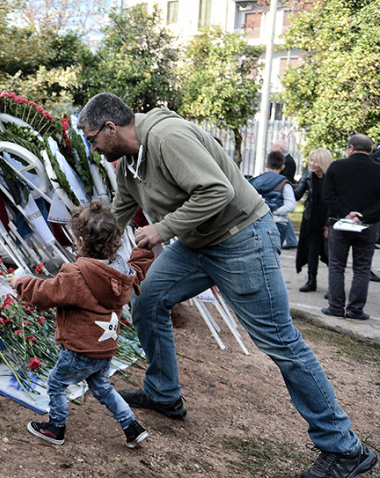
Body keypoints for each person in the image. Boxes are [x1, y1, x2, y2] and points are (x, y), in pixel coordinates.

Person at [77, 93, 376, 478]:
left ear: (111, 128)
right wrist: (86, 259)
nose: (92, 147)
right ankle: (163, 392)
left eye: (92, 138)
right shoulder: (129, 163)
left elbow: (218, 190)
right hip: (196, 245)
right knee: (149, 300)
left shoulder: (168, 138)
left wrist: (162, 229)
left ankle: (344, 447)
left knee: (280, 342)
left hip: (242, 240)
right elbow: (119, 211)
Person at [9, 200, 154, 449]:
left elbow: (45, 293)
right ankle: (131, 426)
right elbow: (139, 268)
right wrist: (144, 247)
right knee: (102, 387)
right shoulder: (121, 272)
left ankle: (55, 427)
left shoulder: (76, 275)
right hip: (105, 348)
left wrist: (21, 282)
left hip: (79, 349)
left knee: (56, 383)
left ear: (82, 242)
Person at [321, 134, 380, 321]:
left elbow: (328, 195)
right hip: (367, 226)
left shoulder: (337, 167)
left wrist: (347, 214)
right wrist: (363, 217)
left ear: (351, 148)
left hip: (340, 224)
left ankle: (336, 307)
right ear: (369, 150)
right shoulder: (378, 170)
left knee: (337, 266)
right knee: (362, 268)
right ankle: (355, 310)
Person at [294, 149, 332, 293]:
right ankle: (311, 281)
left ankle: (334, 287)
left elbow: (335, 202)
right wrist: (284, 184)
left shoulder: (331, 178)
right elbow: (297, 195)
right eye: (311, 160)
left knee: (330, 254)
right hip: (311, 219)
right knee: (312, 250)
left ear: (323, 162)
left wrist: (329, 224)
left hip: (328, 219)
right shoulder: (309, 176)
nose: (312, 164)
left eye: (315, 161)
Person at [249, 150, 296, 244]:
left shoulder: (255, 181)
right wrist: (274, 211)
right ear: (283, 167)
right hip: (278, 224)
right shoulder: (284, 183)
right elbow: (290, 205)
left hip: (256, 222)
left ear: (266, 164)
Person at [271, 139, 299, 249]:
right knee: (285, 217)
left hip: (283, 189)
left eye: (274, 147)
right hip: (283, 188)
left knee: (284, 216)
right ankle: (292, 240)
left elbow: (286, 177)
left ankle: (292, 240)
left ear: (280, 149)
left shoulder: (288, 161)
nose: (273, 150)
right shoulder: (287, 159)